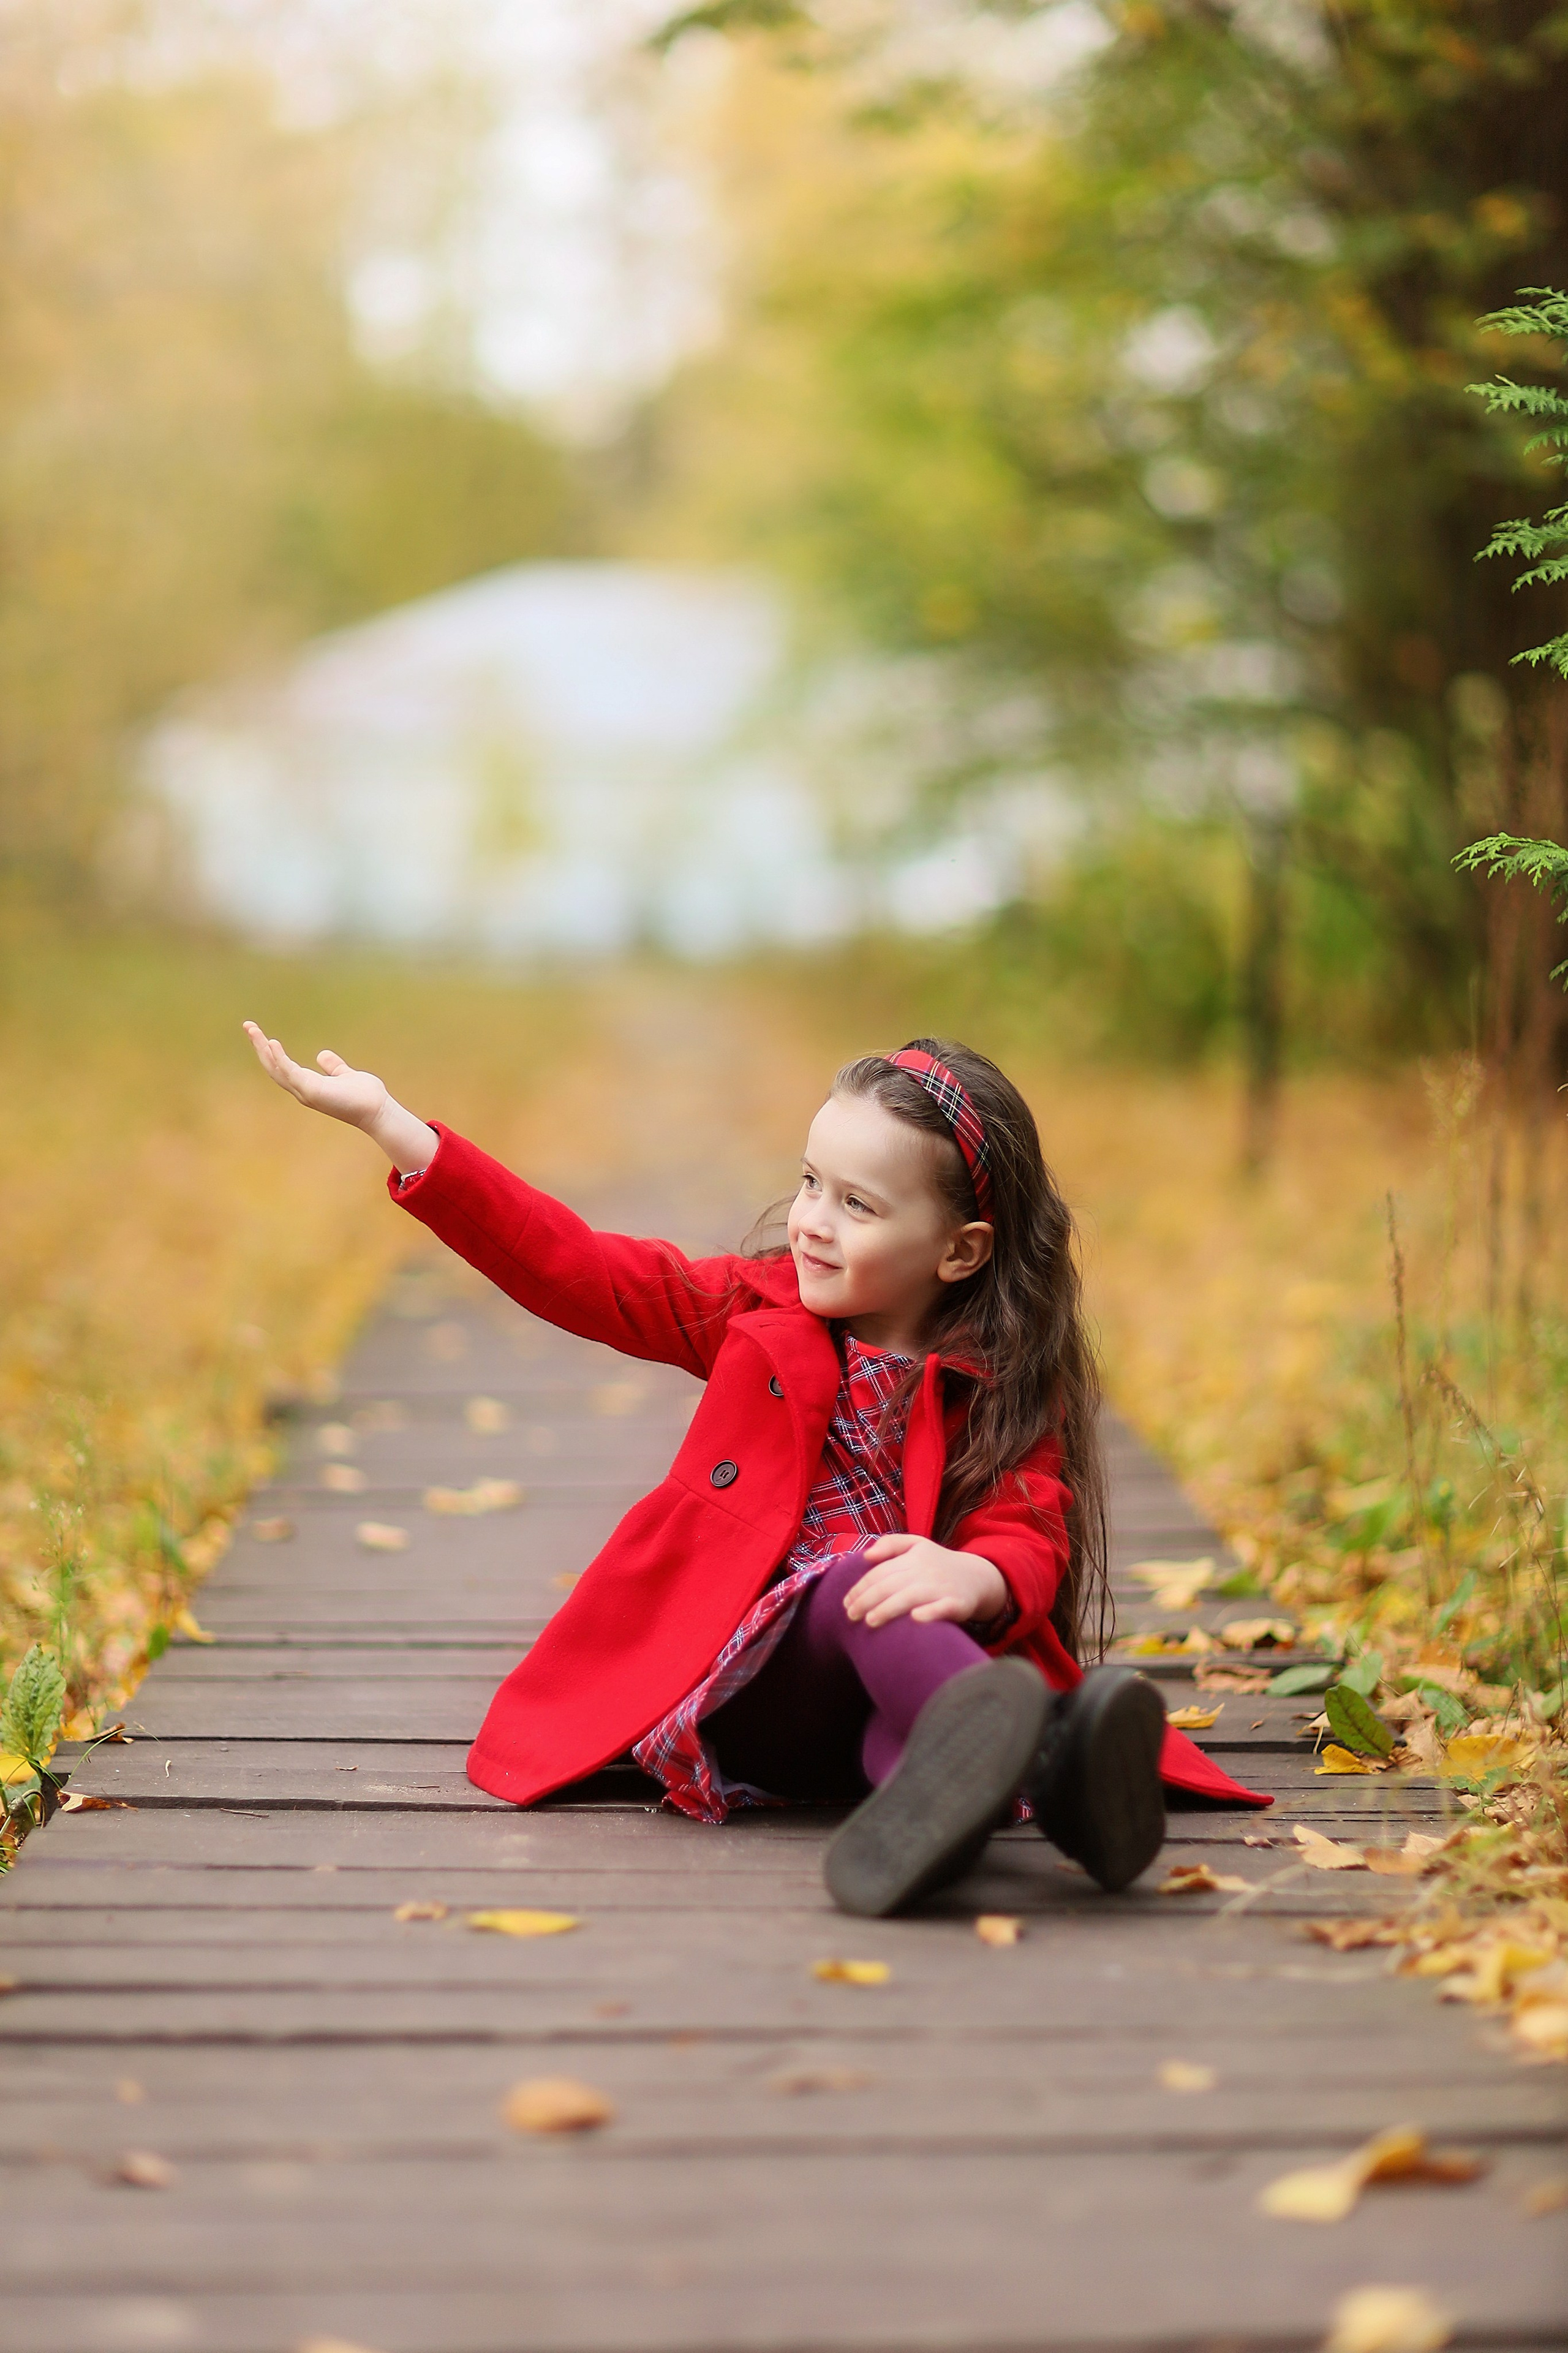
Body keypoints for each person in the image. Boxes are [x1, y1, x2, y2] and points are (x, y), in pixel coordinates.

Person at [243, 1022, 1268, 1916]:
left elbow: (1031, 1520)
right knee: (870, 1581)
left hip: (887, 1692)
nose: (814, 1218)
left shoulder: (999, 1382)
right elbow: (581, 1269)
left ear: (959, 1252)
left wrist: (982, 1576)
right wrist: (397, 1127)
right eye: (811, 1183)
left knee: (902, 1705)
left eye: (859, 1206)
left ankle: (934, 1812)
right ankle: (1058, 1767)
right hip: (749, 1687)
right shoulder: (753, 1309)